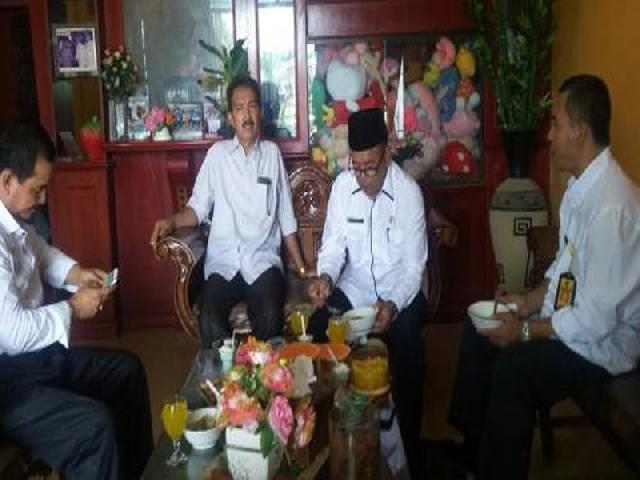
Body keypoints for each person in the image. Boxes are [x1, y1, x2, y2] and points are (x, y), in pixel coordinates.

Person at [448, 74, 640, 479]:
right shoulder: (580, 189)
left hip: (606, 345)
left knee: (514, 370)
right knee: (480, 327)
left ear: (580, 131)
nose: (549, 135)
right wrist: (524, 303)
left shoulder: (612, 208)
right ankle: (471, 454)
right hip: (576, 320)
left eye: (555, 123)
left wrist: (524, 331)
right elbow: (562, 270)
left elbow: (596, 320)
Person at [0, 123, 153, 479]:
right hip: (8, 382)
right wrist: (73, 308)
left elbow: (41, 254)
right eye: (37, 190)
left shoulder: (14, 220)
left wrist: (78, 274)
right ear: (7, 181)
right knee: (94, 428)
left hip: (36, 359)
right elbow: (12, 333)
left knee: (127, 372)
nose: (43, 200)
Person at [307, 108, 429, 478]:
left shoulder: (409, 194)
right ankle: (325, 441)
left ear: (387, 153)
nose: (363, 177)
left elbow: (414, 269)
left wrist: (393, 304)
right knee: (317, 329)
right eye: (356, 167)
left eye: (370, 168)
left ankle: (410, 453)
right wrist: (326, 277)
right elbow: (333, 247)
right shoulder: (343, 187)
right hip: (355, 288)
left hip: (400, 293)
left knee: (409, 347)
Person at [150, 76, 307, 347]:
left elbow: (285, 216)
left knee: (270, 314)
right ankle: (228, 373)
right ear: (231, 118)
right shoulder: (217, 155)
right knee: (209, 317)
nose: (247, 115)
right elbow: (197, 209)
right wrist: (170, 222)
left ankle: (264, 373)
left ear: (260, 112)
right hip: (224, 262)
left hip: (262, 261)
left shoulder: (271, 154)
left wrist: (301, 266)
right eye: (239, 108)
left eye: (252, 106)